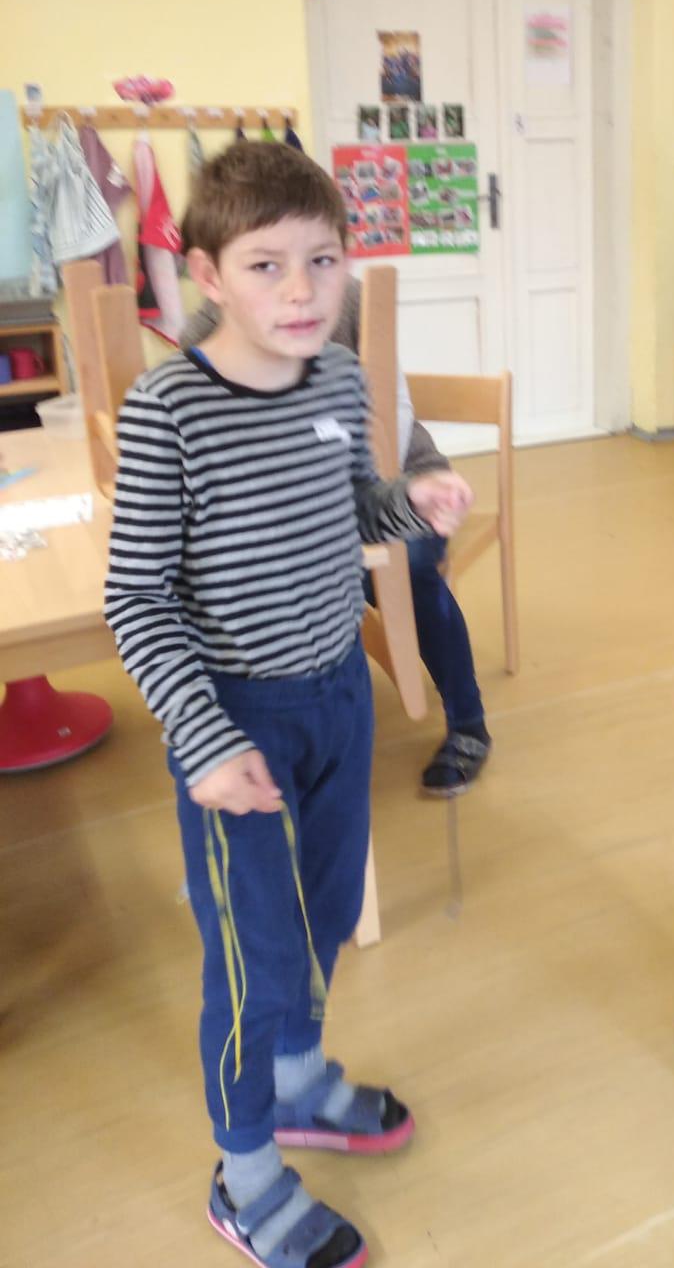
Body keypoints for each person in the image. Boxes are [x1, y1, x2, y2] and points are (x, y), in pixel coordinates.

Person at [105, 141, 475, 1268]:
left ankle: (302, 1080)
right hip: (237, 727)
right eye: (266, 265)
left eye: (322, 259)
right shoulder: (169, 408)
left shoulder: (337, 380)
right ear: (206, 275)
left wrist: (413, 504)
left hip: (337, 701)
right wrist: (203, 740)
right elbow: (136, 598)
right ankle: (246, 1169)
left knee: (321, 914)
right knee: (253, 956)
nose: (303, 290)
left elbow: (348, 507)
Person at [182, 274, 493, 797]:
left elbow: (391, 414)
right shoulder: (204, 334)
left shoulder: (345, 298)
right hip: (296, 505)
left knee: (408, 568)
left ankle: (468, 721)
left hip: (398, 475)